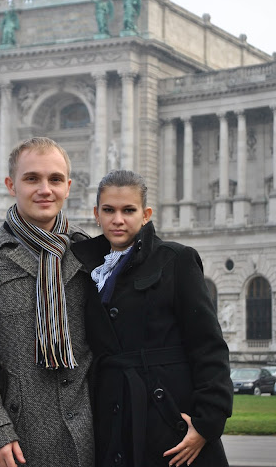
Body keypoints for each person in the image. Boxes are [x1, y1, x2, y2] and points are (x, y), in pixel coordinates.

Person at [0, 137, 94, 467]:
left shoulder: (90, 256)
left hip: (90, 442)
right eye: (31, 179)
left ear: (68, 186)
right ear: (12, 184)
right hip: (16, 447)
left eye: (55, 179)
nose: (45, 189)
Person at [71, 170, 234, 467]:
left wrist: (207, 423)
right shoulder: (84, 267)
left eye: (128, 210)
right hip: (112, 421)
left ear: (145, 214)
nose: (117, 219)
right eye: (108, 210)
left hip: (169, 420)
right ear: (96, 214)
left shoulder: (176, 260)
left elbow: (208, 346)